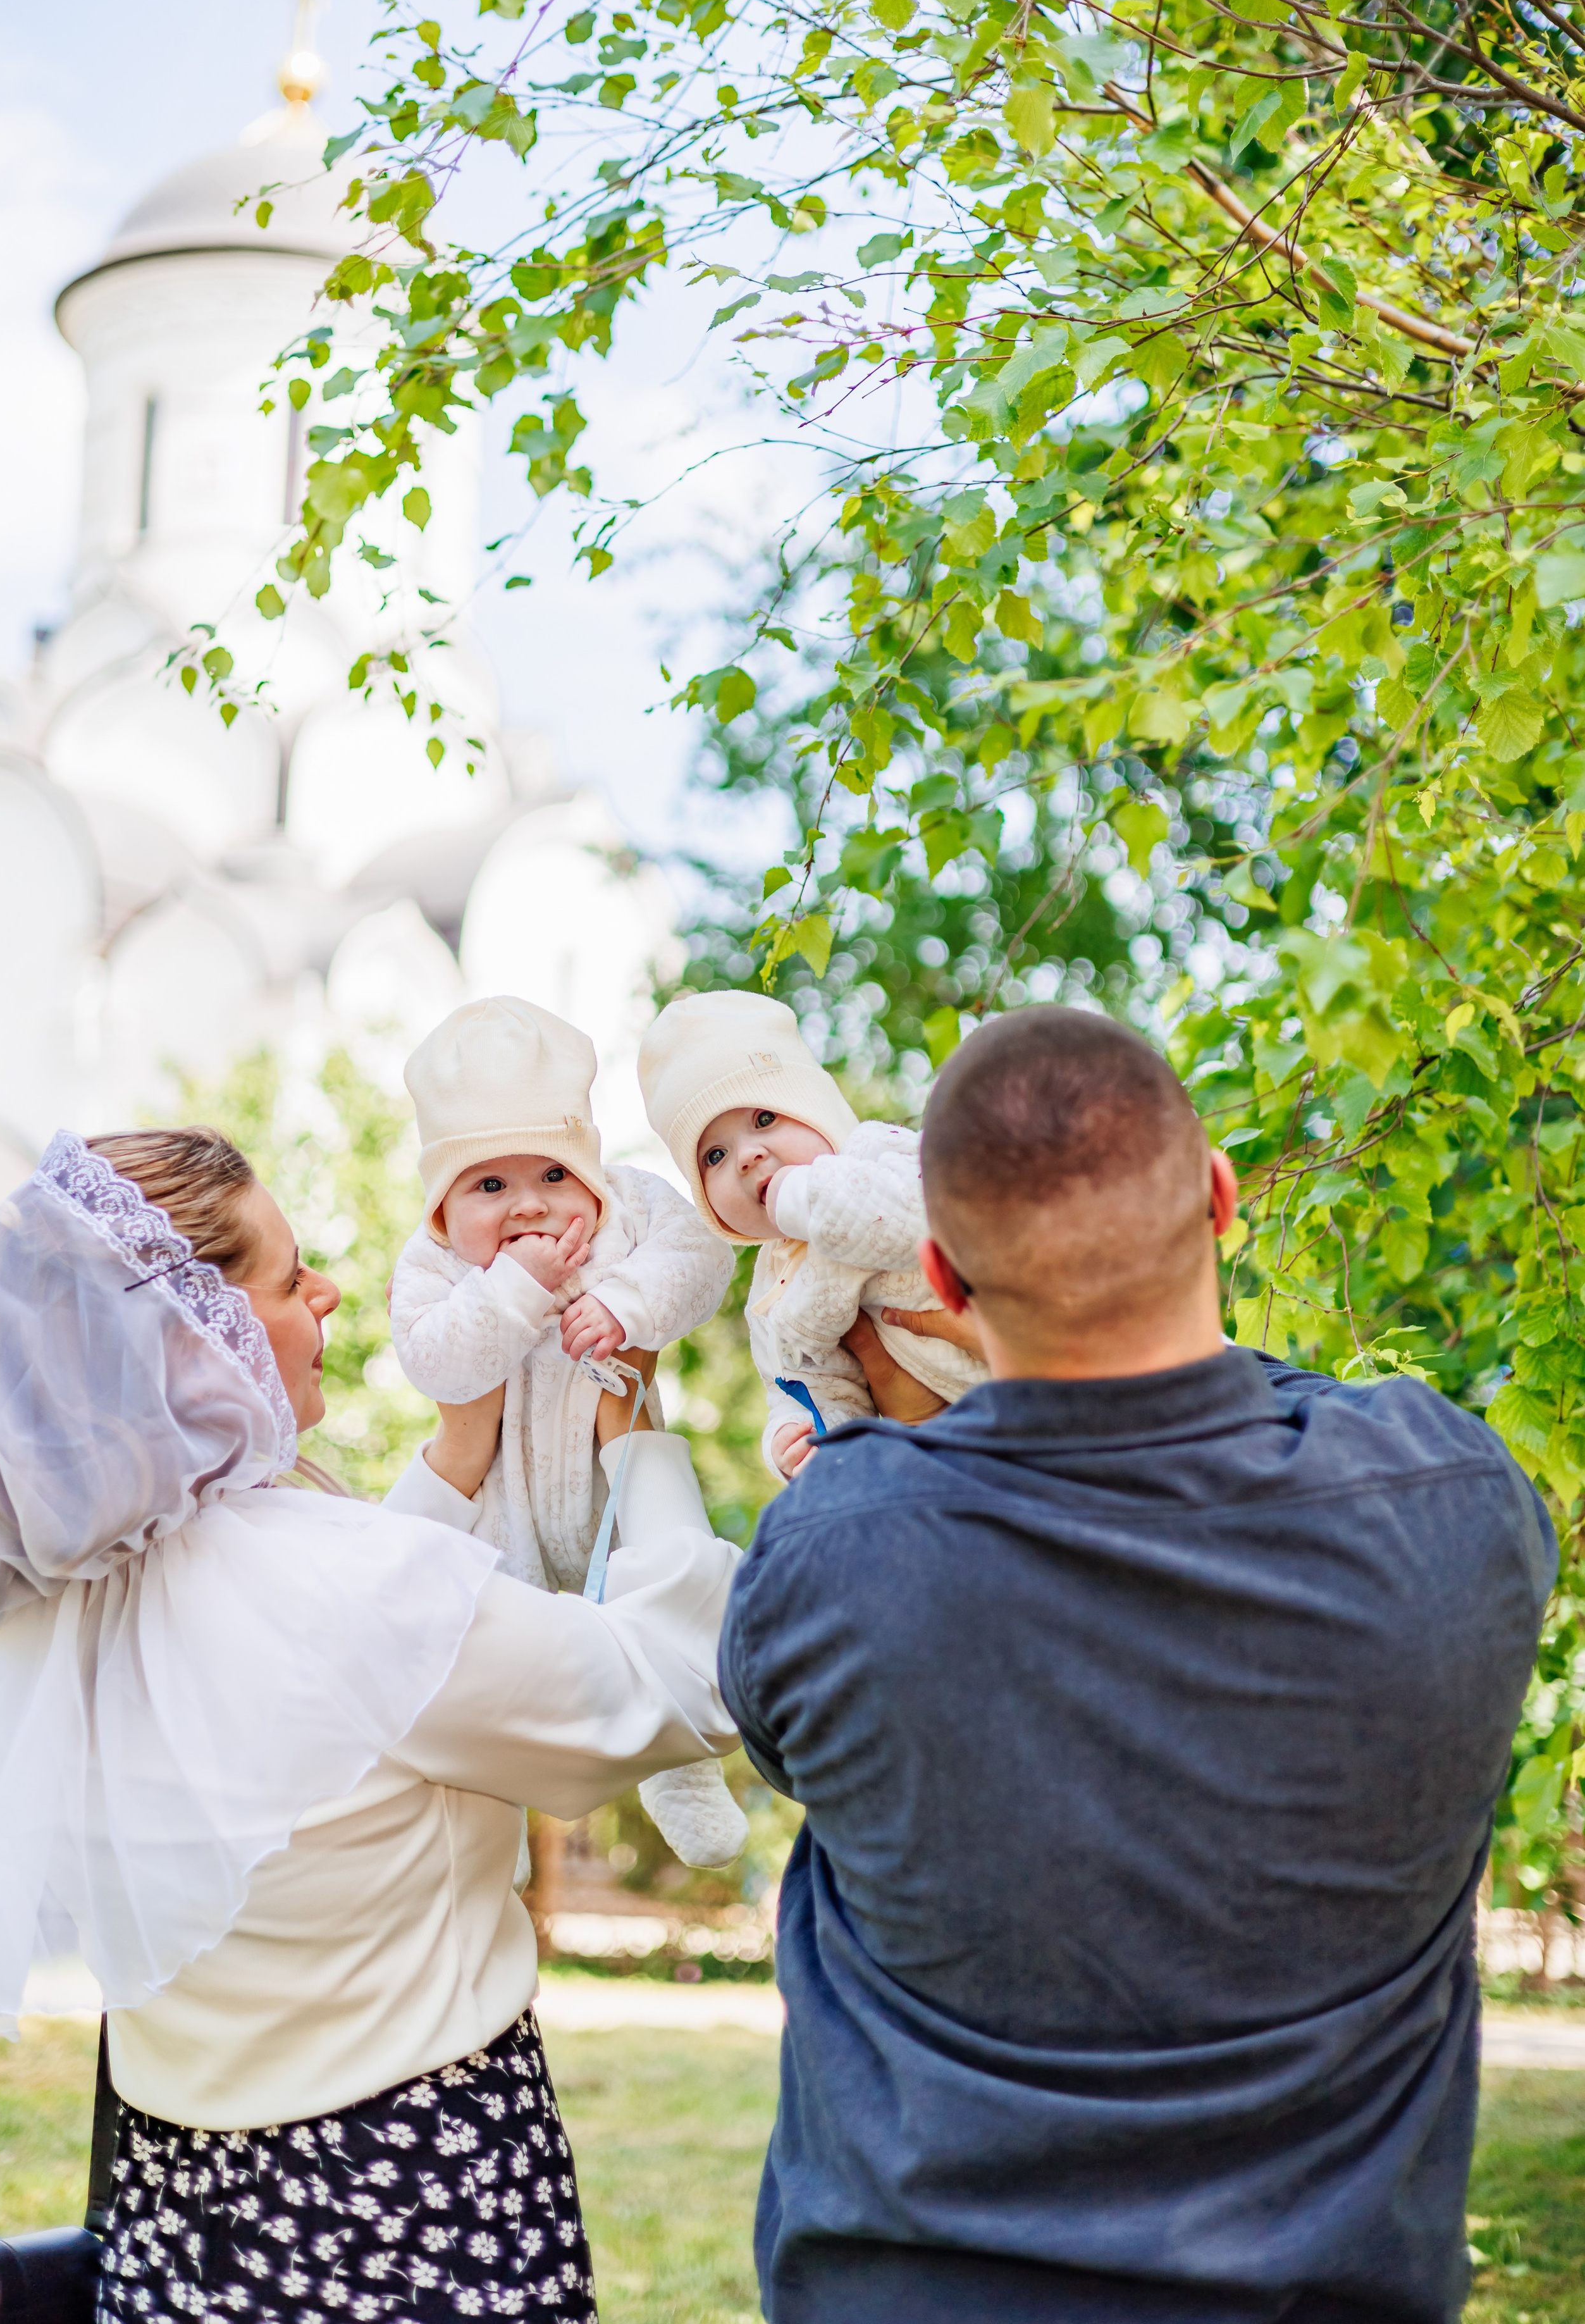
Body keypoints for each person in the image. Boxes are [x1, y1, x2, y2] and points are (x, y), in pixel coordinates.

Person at [719, 1004, 1553, 2324]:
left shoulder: (835, 1549)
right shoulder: (1451, 1505)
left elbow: (772, 1733)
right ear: (1218, 1196)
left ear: (937, 1275)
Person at [0, 1123, 740, 2324]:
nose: (325, 1289)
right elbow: (672, 1689)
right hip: (409, 2212)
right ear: (187, 1346)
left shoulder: (51, 1602)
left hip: (183, 2221)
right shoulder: (345, 1594)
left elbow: (333, 1666)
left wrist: (459, 1453)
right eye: (286, 1278)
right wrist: (638, 1444)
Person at [391, 996, 744, 1869]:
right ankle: (489, 1823)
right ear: (442, 1210)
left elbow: (704, 1260)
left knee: (669, 1590)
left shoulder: (633, 1215)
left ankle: (683, 1773)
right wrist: (512, 1289)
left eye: (554, 1177)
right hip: (502, 1503)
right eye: (489, 1187)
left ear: (592, 1173)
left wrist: (625, 1305)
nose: (529, 1209)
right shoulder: (436, 1266)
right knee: (487, 1662)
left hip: (612, 1481)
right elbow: (433, 1361)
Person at [639, 991, 985, 1481]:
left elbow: (931, 1218)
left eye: (764, 1119)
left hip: (1049, 1361)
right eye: (714, 1156)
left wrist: (807, 1196)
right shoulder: (772, 1293)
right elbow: (806, 1381)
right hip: (961, 1445)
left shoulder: (877, 1152)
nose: (746, 1156)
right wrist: (803, 1433)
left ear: (816, 1109)